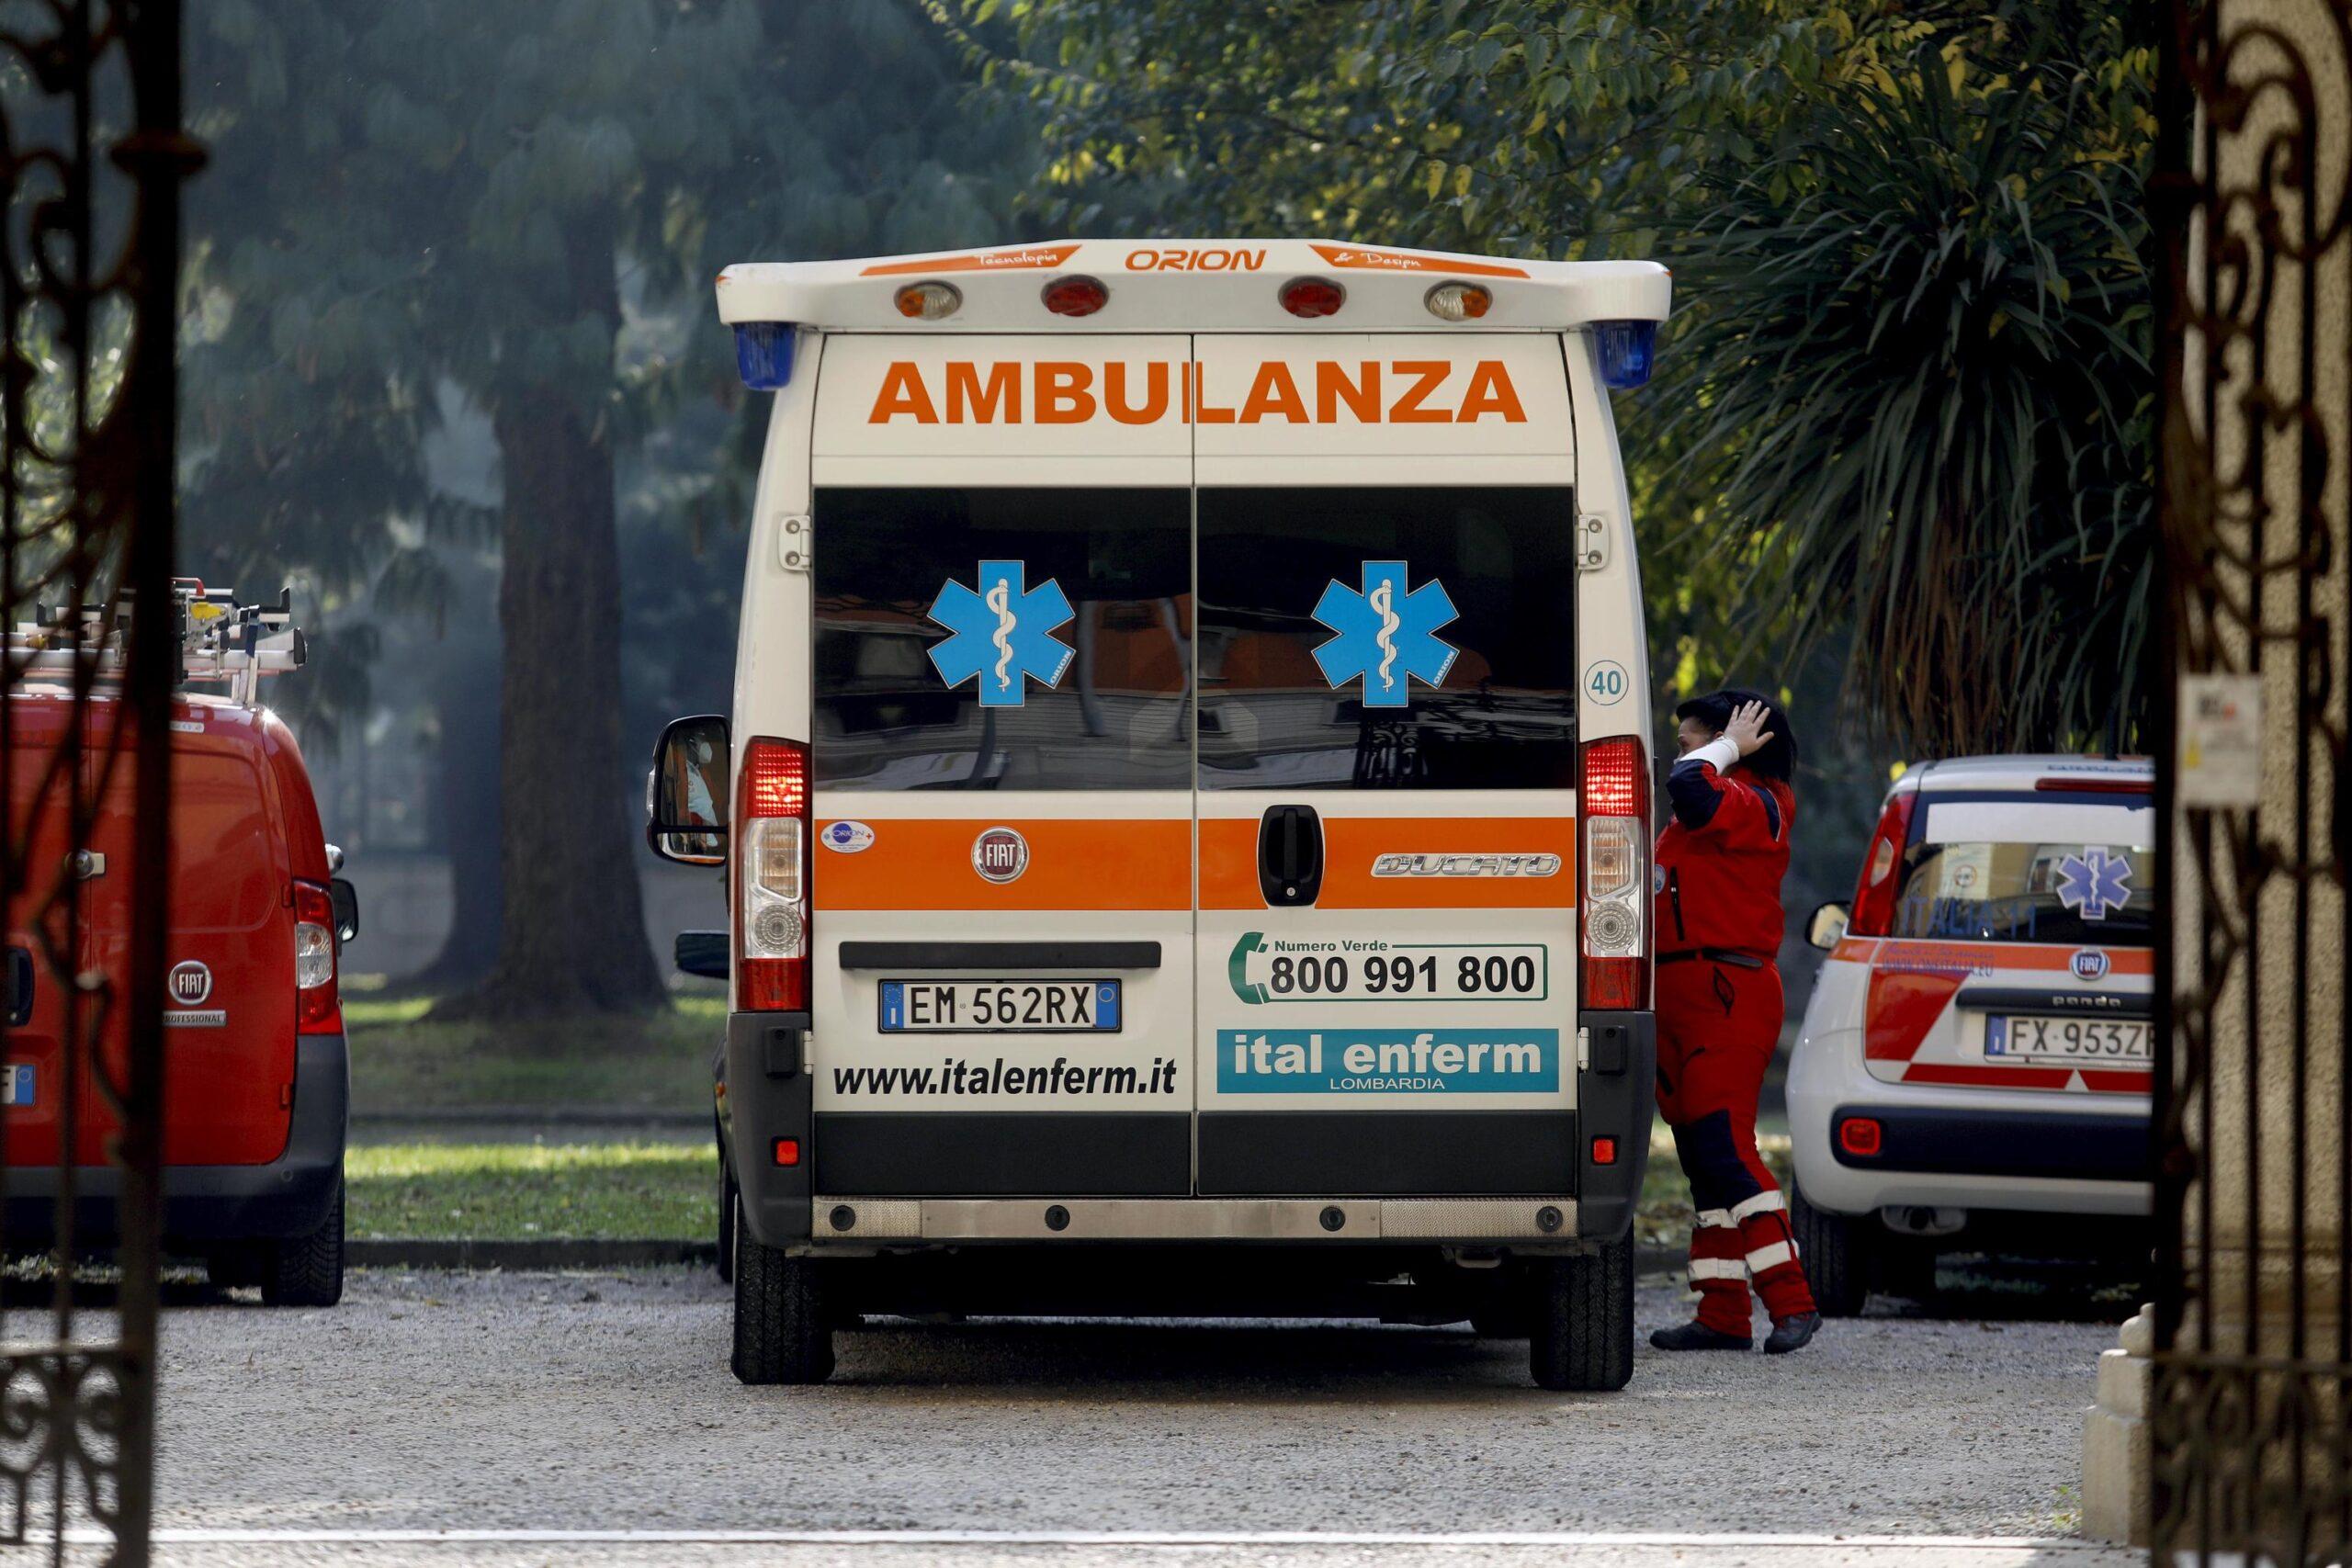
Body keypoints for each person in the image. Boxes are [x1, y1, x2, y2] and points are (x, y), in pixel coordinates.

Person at [1649, 689, 1821, 1354]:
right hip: (1682, 992)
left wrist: (1725, 750)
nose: (1682, 754)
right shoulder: (1697, 814)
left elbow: (1692, 786)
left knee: (1727, 1147)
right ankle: (1722, 1311)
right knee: (1700, 1159)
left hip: (1729, 989)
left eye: (1694, 739)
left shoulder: (1762, 801)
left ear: (1740, 743)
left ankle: (1794, 1300)